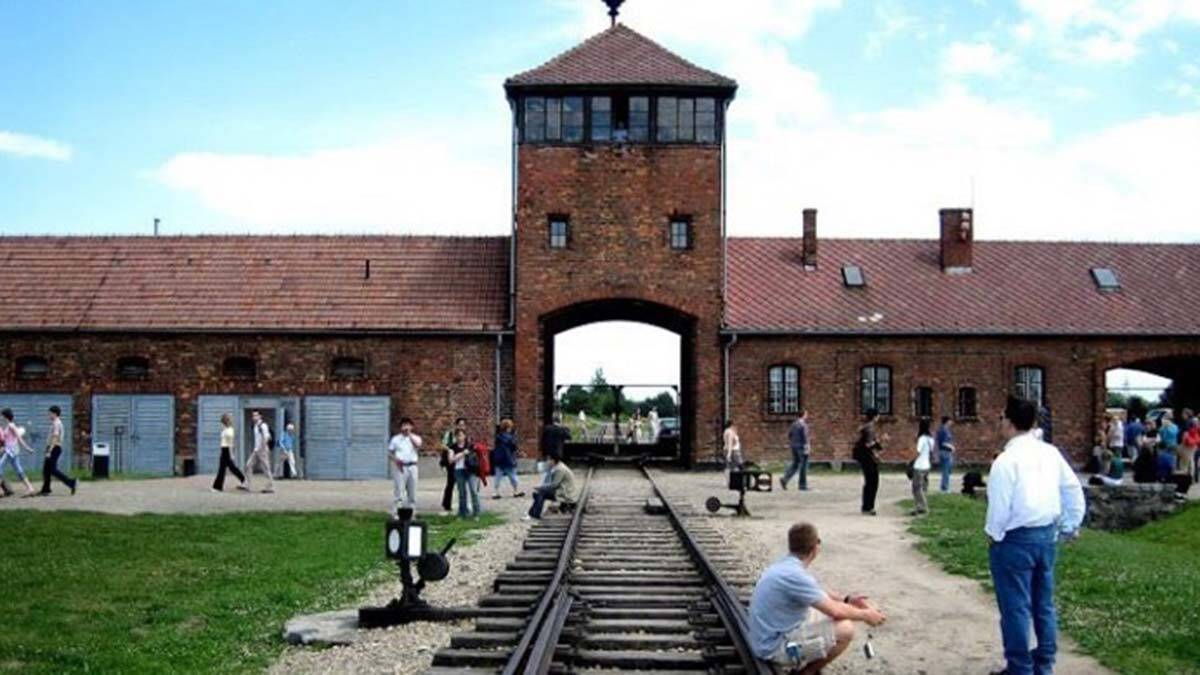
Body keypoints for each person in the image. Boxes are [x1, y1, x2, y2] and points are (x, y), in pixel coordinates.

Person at [985, 396, 1085, 675]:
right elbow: (1072, 489)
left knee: (1015, 607)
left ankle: (1020, 667)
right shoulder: (1050, 453)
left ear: (1009, 422)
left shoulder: (1006, 461)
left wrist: (994, 534)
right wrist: (1070, 523)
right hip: (1046, 535)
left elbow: (1000, 506)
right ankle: (1045, 663)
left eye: (1002, 418)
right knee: (1044, 605)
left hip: (1015, 538)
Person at [748, 522, 886, 673]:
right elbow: (836, 611)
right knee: (845, 629)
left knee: (830, 613)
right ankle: (806, 673)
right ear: (815, 548)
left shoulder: (785, 565)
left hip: (766, 635)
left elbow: (817, 592)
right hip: (772, 648)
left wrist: (847, 600)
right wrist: (866, 615)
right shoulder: (795, 575)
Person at [524, 451, 578, 520]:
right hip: (562, 490)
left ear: (553, 460)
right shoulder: (557, 466)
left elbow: (554, 485)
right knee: (539, 493)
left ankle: (534, 514)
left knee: (541, 493)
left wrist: (540, 487)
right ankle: (532, 513)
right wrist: (540, 488)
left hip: (565, 493)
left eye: (548, 459)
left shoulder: (560, 469)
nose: (547, 461)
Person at [38, 405, 77, 496]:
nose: (48, 415)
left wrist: (49, 451)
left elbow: (55, 437)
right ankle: (45, 489)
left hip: (54, 448)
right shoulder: (57, 423)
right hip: (53, 447)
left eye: (50, 413)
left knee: (52, 469)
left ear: (54, 414)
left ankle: (71, 482)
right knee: (46, 470)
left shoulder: (56, 423)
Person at [0, 408, 37, 497]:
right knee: (19, 470)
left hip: (10, 451)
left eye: (2, 415)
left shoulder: (11, 426)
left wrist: (27, 448)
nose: (0, 417)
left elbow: (19, 438)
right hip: (12, 451)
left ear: (5, 416)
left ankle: (0, 491)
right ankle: (30, 488)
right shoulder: (8, 426)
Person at [853, 410, 883, 515]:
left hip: (865, 458)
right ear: (875, 416)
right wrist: (879, 442)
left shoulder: (866, 427)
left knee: (869, 482)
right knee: (872, 482)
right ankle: (869, 506)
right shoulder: (870, 428)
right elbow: (869, 445)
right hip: (868, 458)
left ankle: (866, 506)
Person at [389, 417, 422, 511]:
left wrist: (410, 435)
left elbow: (418, 445)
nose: (406, 427)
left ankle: (412, 512)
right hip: (401, 466)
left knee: (412, 492)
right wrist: (396, 460)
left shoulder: (416, 438)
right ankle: (396, 512)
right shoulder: (396, 439)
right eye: (404, 425)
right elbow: (390, 452)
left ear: (412, 427)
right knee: (399, 491)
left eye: (408, 425)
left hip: (412, 466)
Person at [447, 429, 481, 518]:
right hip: (459, 470)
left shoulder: (470, 446)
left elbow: (476, 456)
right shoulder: (452, 447)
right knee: (462, 493)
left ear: (464, 436)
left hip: (471, 470)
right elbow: (451, 460)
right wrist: (462, 454)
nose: (459, 438)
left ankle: (476, 512)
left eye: (461, 435)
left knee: (473, 491)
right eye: (457, 436)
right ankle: (462, 512)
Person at [212, 413, 247, 492]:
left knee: (229, 468)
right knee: (224, 469)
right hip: (224, 449)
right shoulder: (225, 429)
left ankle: (218, 487)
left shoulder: (230, 431)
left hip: (227, 450)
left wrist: (231, 454)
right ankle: (218, 486)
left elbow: (230, 443)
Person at [491, 419, 524, 499]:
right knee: (513, 476)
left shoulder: (498, 437)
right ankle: (516, 491)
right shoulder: (511, 438)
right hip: (509, 459)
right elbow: (514, 448)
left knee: (498, 476)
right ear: (508, 428)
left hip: (499, 459)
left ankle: (496, 492)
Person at [243, 411, 275, 493]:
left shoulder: (263, 425)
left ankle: (270, 487)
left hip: (262, 450)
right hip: (256, 450)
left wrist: (263, 448)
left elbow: (267, 437)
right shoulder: (255, 426)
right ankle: (247, 485)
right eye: (253, 415)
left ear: (260, 416)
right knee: (248, 465)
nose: (254, 417)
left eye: (256, 415)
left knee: (266, 468)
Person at [440, 417, 468, 511]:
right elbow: (443, 445)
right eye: (460, 425)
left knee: (462, 484)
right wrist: (450, 450)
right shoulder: (450, 434)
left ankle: (463, 504)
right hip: (451, 461)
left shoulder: (465, 436)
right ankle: (446, 503)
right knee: (451, 482)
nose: (461, 426)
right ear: (456, 425)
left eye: (463, 425)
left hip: (462, 463)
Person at [781, 409, 811, 491]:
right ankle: (802, 485)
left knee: (795, 464)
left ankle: (785, 479)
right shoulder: (803, 425)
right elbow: (805, 437)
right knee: (803, 466)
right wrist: (807, 447)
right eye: (806, 414)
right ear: (803, 415)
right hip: (801, 447)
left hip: (794, 446)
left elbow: (789, 434)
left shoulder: (794, 424)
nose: (807, 416)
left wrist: (793, 442)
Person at [911, 418, 934, 516]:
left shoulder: (921, 439)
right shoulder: (931, 439)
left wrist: (911, 461)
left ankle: (923, 507)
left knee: (916, 488)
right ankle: (919, 507)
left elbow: (918, 452)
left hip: (919, 465)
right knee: (923, 487)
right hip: (927, 465)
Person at [540, 412, 571, 481]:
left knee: (547, 472)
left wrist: (543, 453)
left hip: (548, 454)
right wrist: (565, 427)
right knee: (556, 471)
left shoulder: (547, 428)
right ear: (560, 420)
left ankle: (545, 487)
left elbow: (542, 441)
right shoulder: (562, 430)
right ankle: (552, 486)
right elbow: (569, 437)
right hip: (557, 454)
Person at [936, 417, 955, 492]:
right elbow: (943, 443)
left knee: (947, 470)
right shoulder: (944, 431)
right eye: (950, 421)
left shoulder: (944, 430)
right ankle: (944, 487)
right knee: (946, 470)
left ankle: (944, 486)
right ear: (947, 422)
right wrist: (951, 447)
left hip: (946, 452)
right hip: (945, 452)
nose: (951, 423)